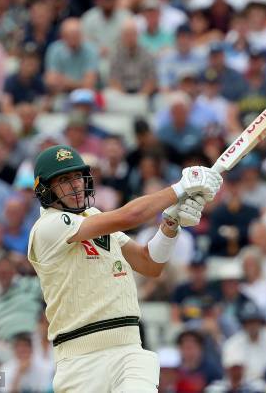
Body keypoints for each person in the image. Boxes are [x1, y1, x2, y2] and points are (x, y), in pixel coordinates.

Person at [27, 144, 222, 392]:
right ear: (45, 189)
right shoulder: (48, 227)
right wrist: (180, 188)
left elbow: (148, 263)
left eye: (77, 176)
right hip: (80, 360)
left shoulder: (92, 216)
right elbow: (129, 217)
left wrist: (171, 224)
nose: (75, 184)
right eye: (64, 180)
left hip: (129, 350)